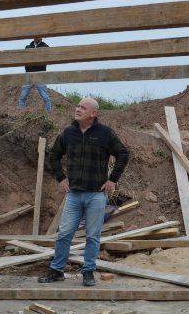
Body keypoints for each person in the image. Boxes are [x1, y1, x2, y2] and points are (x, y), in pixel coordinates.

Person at [38, 96, 129, 287]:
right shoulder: (68, 133)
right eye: (77, 106)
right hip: (74, 195)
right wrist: (61, 178)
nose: (77, 109)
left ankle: (88, 272)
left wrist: (113, 179)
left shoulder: (105, 133)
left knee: (93, 236)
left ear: (93, 114)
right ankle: (56, 270)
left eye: (82, 107)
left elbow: (123, 153)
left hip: (96, 194)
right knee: (64, 233)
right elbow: (54, 155)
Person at [18, 38, 52, 111]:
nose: (36, 37)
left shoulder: (45, 47)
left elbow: (45, 60)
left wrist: (33, 64)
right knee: (22, 97)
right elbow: (25, 60)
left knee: (45, 98)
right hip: (29, 75)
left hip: (40, 76)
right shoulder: (28, 47)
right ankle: (21, 113)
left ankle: (48, 114)